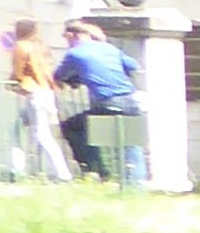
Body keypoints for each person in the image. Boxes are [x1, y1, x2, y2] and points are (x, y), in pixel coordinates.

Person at [51, 25, 141, 183]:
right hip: (130, 101)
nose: (67, 42)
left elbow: (59, 75)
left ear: (73, 35)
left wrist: (75, 79)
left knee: (72, 127)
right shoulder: (109, 48)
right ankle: (136, 183)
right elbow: (133, 66)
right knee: (132, 142)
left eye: (66, 38)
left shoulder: (75, 53)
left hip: (107, 103)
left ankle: (97, 170)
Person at [3, 23, 72, 184]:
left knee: (42, 135)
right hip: (46, 93)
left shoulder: (21, 46)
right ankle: (16, 169)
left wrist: (11, 83)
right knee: (16, 129)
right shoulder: (39, 47)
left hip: (34, 94)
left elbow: (18, 72)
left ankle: (62, 174)